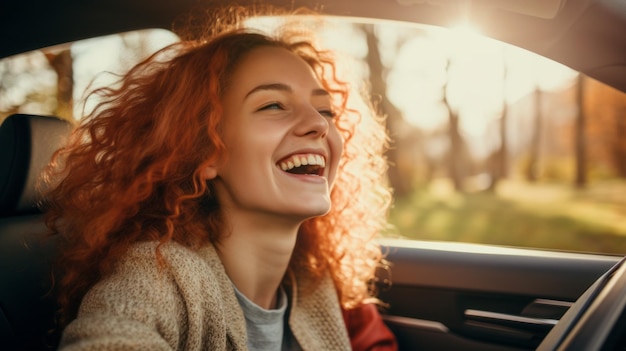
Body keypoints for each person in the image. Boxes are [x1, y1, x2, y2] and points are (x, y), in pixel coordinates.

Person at [43, 6, 396, 351]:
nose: (319, 124)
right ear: (206, 151)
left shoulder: (317, 283)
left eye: (325, 110)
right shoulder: (159, 275)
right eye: (272, 105)